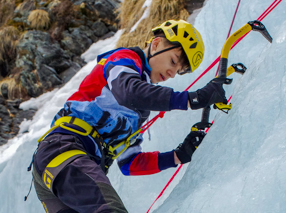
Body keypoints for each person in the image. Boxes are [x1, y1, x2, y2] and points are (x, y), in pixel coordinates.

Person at [31, 19, 227, 213]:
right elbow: (129, 91)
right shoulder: (125, 59)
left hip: (57, 165)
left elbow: (129, 163)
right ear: (156, 44)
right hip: (65, 149)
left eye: (178, 71)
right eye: (173, 61)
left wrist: (177, 156)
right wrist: (191, 99)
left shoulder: (138, 112)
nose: (172, 73)